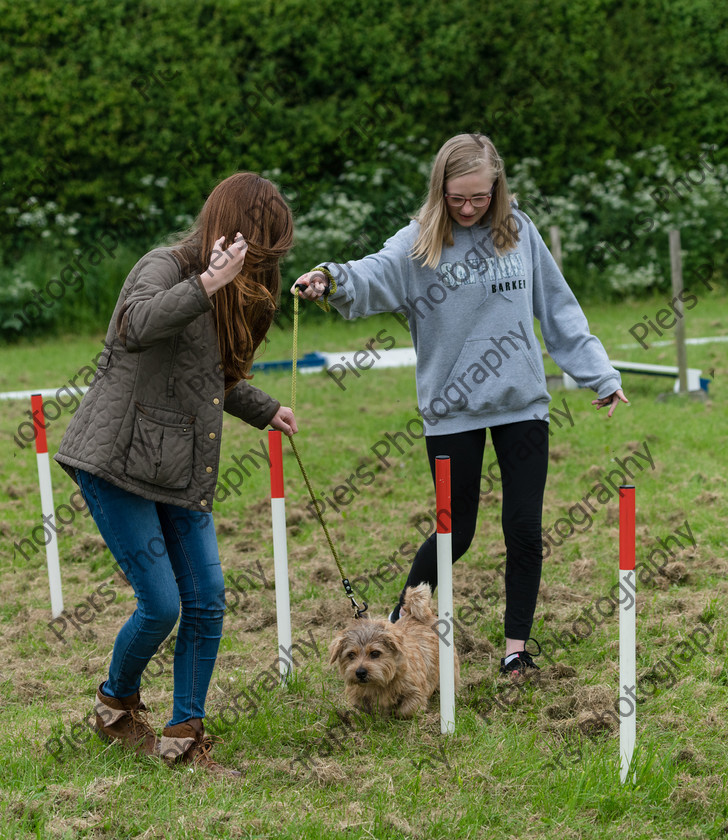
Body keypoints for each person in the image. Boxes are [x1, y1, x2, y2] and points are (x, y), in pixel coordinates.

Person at [293, 133, 628, 679]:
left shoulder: (520, 234)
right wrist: (331, 278)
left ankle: (516, 648)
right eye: (457, 199)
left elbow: (559, 309)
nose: (469, 208)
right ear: (440, 191)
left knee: (524, 528)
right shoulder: (419, 242)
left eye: (479, 197)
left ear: (496, 187)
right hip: (451, 409)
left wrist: (600, 373)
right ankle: (398, 630)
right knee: (457, 531)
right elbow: (373, 272)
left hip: (522, 405)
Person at [55, 172, 298, 776]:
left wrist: (267, 410)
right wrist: (207, 281)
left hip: (180, 467)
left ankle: (184, 735)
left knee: (208, 602)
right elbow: (133, 327)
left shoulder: (237, 292)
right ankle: (115, 703)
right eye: (258, 248)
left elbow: (211, 378)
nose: (261, 263)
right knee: (161, 605)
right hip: (114, 460)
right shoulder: (164, 265)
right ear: (229, 229)